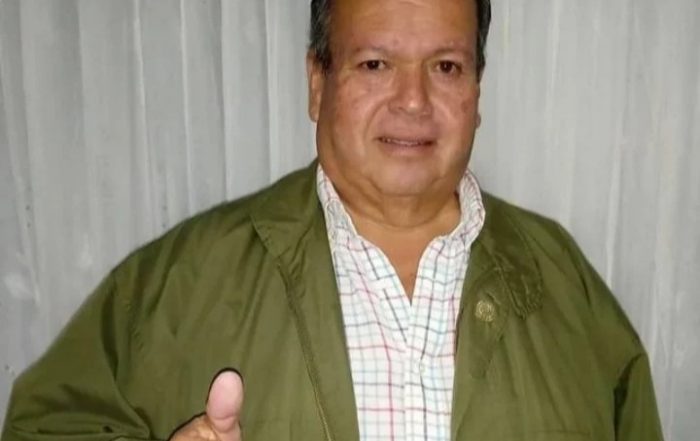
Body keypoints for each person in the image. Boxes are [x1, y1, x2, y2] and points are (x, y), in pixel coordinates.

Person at [2, 0, 664, 440]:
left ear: (476, 90)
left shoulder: (564, 281)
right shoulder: (183, 280)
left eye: (445, 66)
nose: (413, 101)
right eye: (375, 64)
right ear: (317, 84)